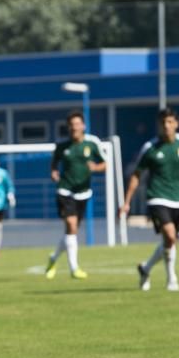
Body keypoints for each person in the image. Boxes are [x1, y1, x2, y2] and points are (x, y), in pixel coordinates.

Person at [121, 107, 179, 292]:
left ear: (176, 124)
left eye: (169, 122)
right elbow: (137, 175)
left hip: (178, 199)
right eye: (163, 123)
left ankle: (145, 268)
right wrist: (127, 202)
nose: (166, 126)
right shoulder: (150, 148)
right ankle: (171, 279)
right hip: (157, 197)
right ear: (159, 125)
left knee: (171, 240)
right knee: (169, 235)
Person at [45, 111, 107, 280]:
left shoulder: (92, 143)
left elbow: (105, 164)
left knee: (71, 233)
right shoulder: (62, 146)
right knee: (71, 226)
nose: (74, 127)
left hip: (83, 193)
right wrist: (53, 172)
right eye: (71, 124)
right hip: (65, 190)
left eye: (77, 124)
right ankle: (74, 268)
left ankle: (53, 258)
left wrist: (95, 168)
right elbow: (54, 163)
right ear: (68, 127)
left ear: (83, 126)